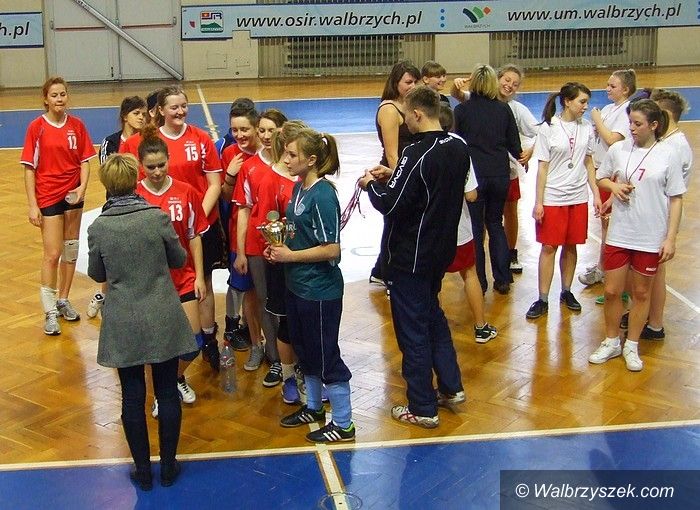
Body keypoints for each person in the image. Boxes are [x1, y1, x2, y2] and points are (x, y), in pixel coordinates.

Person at [360, 86, 469, 428]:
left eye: (406, 115)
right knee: (433, 316)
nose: (404, 121)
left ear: (418, 114)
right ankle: (450, 386)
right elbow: (422, 190)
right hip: (440, 252)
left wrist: (370, 184)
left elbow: (390, 204)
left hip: (411, 257)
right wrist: (394, 177)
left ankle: (422, 406)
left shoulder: (415, 151)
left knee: (413, 331)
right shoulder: (458, 146)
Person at [88, 153, 196, 489]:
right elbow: (179, 259)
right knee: (167, 391)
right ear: (136, 179)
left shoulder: (99, 227)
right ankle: (168, 467)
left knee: (132, 397)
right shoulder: (156, 217)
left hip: (123, 320)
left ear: (107, 185)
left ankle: (143, 471)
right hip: (162, 313)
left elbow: (97, 273)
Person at [120, 86, 223, 372]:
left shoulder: (200, 139)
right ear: (161, 110)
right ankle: (162, 349)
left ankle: (209, 340)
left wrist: (193, 218)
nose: (180, 112)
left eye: (183, 106)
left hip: (197, 225)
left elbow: (214, 184)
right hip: (159, 232)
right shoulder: (146, 143)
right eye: (174, 107)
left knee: (202, 283)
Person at [267, 128, 355, 443]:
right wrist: (279, 246)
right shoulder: (299, 188)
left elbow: (332, 249)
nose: (286, 159)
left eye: (292, 154)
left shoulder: (323, 195)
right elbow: (300, 233)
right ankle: (315, 408)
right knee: (305, 352)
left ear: (312, 159)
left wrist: (290, 256)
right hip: (297, 286)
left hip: (320, 291)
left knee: (325, 354)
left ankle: (344, 423)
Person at [588, 99, 685, 372]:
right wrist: (614, 187)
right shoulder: (618, 149)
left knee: (642, 293)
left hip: (650, 236)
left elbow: (676, 198)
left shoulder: (668, 154)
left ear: (653, 125)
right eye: (630, 122)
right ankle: (611, 341)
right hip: (620, 233)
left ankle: (631, 344)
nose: (631, 128)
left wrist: (670, 238)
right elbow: (601, 177)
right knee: (611, 290)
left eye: (637, 123)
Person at [135, 124, 209, 417]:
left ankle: (174, 378)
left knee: (194, 342)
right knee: (156, 345)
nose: (157, 171)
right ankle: (160, 393)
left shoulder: (186, 192)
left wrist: (200, 276)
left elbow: (194, 235)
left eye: (161, 165)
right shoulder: (134, 196)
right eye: (150, 167)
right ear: (141, 166)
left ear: (169, 161)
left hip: (183, 278)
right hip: (150, 283)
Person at [21, 76, 96, 335]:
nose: (59, 99)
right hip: (48, 195)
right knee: (52, 254)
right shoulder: (37, 127)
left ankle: (63, 300)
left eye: (62, 94)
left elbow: (85, 161)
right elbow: (29, 168)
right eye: (54, 95)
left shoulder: (77, 125)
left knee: (70, 250)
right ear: (46, 99)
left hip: (73, 196)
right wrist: (33, 205)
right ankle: (49, 311)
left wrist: (81, 189)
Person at [526, 82, 602, 319]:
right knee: (549, 247)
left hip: (578, 196)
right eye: (582, 102)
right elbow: (542, 167)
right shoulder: (548, 128)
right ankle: (542, 298)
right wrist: (538, 202)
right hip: (553, 197)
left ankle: (566, 291)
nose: (585, 107)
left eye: (587, 102)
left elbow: (589, 162)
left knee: (571, 245)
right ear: (567, 102)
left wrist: (596, 194)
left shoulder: (586, 127)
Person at [452, 64, 537, 274]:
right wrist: (522, 155)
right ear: (494, 81)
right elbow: (514, 144)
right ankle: (503, 277)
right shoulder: (503, 109)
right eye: (507, 80)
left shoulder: (462, 110)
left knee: (476, 227)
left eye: (514, 83)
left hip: (475, 177)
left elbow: (456, 143)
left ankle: (479, 280)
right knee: (496, 223)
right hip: (499, 175)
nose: (509, 86)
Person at [233, 108, 288, 383]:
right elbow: (243, 210)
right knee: (265, 301)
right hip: (257, 246)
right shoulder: (249, 167)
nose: (266, 136)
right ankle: (275, 358)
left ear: (282, 131)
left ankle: (294, 358)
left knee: (289, 301)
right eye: (262, 130)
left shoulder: (292, 164)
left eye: (271, 130)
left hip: (289, 247)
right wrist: (241, 251)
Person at [257, 120, 308, 404]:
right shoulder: (271, 180)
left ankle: (308, 373)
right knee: (288, 323)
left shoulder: (309, 179)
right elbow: (267, 225)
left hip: (307, 265)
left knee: (305, 321)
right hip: (283, 265)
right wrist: (276, 248)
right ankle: (289, 377)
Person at [88, 95, 148, 319]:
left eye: (144, 114)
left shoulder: (148, 141)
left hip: (141, 204)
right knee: (111, 256)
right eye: (136, 113)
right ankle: (104, 296)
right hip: (115, 205)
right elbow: (109, 173)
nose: (141, 118)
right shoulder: (110, 142)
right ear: (124, 116)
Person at [641, 89, 693, 339]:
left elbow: (673, 193)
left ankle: (655, 324)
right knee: (648, 273)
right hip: (654, 213)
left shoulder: (676, 146)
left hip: (662, 215)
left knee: (656, 272)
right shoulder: (667, 141)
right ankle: (645, 314)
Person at [578, 69, 636, 288]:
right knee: (604, 222)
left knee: (609, 224)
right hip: (600, 168)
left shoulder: (626, 111)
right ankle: (604, 266)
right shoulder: (609, 108)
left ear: (625, 89)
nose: (607, 89)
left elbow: (612, 139)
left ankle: (606, 269)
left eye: (613, 86)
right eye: (608, 85)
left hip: (612, 173)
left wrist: (596, 120)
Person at [370, 60, 420, 285]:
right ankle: (387, 275)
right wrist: (400, 180)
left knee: (398, 227)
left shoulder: (409, 105)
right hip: (393, 174)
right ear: (396, 83)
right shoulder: (389, 109)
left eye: (416, 81)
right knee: (394, 227)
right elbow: (392, 153)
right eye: (408, 82)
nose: (413, 86)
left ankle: (380, 271)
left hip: (405, 171)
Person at [220, 101, 259, 351]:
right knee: (239, 281)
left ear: (256, 127)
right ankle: (231, 326)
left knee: (260, 287)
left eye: (244, 129)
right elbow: (225, 196)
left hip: (264, 230)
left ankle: (252, 328)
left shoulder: (269, 151)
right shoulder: (229, 154)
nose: (239, 135)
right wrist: (230, 175)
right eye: (234, 130)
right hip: (240, 230)